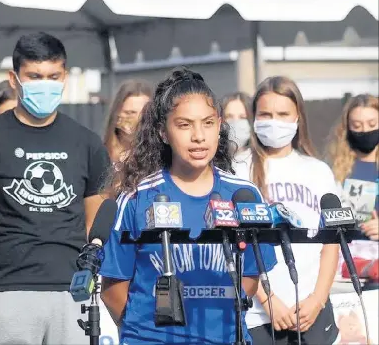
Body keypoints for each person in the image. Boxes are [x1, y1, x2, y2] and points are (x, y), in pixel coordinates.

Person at [99, 67, 277, 345]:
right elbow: (112, 287)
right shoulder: (137, 198)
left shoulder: (244, 195)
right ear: (162, 132)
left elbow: (251, 278)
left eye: (207, 123)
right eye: (184, 125)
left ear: (220, 125)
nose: (198, 136)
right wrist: (148, 333)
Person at [0, 32, 110, 345]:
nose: (44, 84)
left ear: (64, 76)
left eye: (53, 76)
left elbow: (95, 220)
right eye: (34, 76)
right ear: (14, 79)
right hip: (8, 290)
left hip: (71, 291)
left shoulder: (86, 142)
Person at [233, 76, 340, 344]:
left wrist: (317, 300)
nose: (274, 121)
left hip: (311, 312)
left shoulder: (318, 171)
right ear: (253, 117)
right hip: (258, 315)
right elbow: (236, 244)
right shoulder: (236, 168)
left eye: (283, 114)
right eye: (266, 114)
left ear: (297, 118)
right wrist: (267, 299)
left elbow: (331, 243)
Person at [326, 94, 378, 259]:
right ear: (346, 128)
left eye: (372, 124)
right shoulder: (332, 170)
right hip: (345, 259)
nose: (365, 130)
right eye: (357, 125)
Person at [103, 79, 153, 164]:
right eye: (130, 113)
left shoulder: (161, 161)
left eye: (145, 113)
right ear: (116, 116)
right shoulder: (99, 158)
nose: (139, 119)